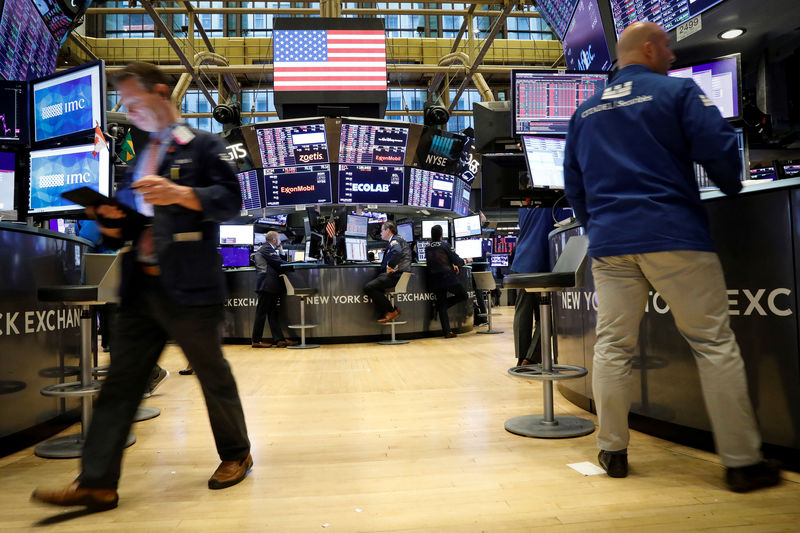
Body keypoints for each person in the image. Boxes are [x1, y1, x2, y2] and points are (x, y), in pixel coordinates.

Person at [563, 22, 780, 492]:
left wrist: (598, 225)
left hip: (611, 245)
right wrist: (731, 187)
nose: (673, 56)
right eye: (666, 46)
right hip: (673, 235)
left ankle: (613, 450)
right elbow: (721, 150)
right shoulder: (677, 94)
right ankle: (742, 462)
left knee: (613, 347)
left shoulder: (584, 113)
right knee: (713, 343)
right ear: (647, 48)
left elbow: (574, 187)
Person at [32, 62, 253, 511]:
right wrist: (111, 223)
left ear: (160, 91)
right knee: (120, 385)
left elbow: (231, 203)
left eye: (133, 102)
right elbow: (134, 227)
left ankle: (237, 454)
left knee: (213, 377)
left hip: (191, 289)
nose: (128, 112)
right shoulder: (139, 158)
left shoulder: (206, 146)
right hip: (140, 289)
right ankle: (96, 482)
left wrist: (183, 195)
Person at [511, 207, 571, 366]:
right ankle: (531, 358)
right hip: (541, 264)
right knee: (549, 314)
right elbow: (565, 225)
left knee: (522, 312)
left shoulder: (524, 208)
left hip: (521, 262)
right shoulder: (554, 205)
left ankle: (521, 357)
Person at [251, 231, 297, 348]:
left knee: (273, 313)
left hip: (270, 286)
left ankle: (279, 340)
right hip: (266, 285)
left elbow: (277, 261)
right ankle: (256, 340)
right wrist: (293, 265)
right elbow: (279, 263)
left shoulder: (269, 249)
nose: (280, 242)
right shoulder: (267, 248)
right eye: (279, 240)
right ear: (274, 240)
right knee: (261, 313)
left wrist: (281, 251)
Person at [363, 221, 411, 323]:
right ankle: (392, 310)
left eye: (382, 230)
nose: (380, 233)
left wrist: (390, 266)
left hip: (396, 276)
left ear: (388, 230)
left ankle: (392, 311)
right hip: (401, 275)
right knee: (378, 287)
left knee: (368, 287)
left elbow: (397, 252)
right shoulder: (398, 239)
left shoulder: (395, 241)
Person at [425, 223, 467, 338]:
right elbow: (456, 259)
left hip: (434, 280)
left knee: (442, 303)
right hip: (448, 278)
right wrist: (466, 261)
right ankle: (438, 307)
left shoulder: (427, 247)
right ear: (441, 235)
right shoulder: (445, 245)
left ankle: (447, 332)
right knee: (463, 295)